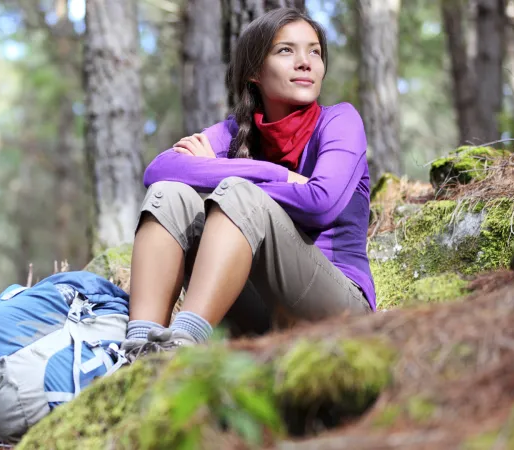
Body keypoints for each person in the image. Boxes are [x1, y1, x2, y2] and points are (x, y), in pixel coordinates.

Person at [121, 7, 375, 358]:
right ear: (255, 71)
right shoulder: (234, 133)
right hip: (258, 313)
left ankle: (182, 345)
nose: (306, 62)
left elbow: (321, 203)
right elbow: (159, 171)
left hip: (337, 308)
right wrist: (278, 174)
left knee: (239, 195)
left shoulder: (340, 121)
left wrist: (230, 176)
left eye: (314, 51)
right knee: (171, 195)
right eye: (286, 50)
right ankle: (139, 349)